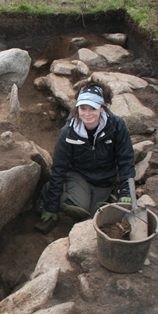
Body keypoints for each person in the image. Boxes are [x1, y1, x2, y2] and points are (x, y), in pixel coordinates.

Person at [40, 82, 136, 223]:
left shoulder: (117, 126)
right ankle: (47, 192)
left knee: (91, 217)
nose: (87, 114)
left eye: (93, 108)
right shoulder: (68, 132)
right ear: (77, 108)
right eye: (83, 108)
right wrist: (51, 205)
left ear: (102, 108)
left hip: (104, 180)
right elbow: (59, 168)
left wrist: (126, 192)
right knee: (77, 208)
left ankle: (89, 199)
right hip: (79, 175)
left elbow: (126, 160)